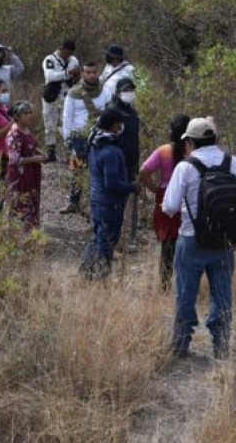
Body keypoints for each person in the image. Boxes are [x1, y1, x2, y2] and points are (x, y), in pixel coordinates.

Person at [162, 117, 236, 359]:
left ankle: (180, 345)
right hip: (224, 241)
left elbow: (170, 206)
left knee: (185, 294)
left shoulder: (186, 167)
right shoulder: (235, 164)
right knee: (222, 295)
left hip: (191, 240)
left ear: (190, 142)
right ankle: (221, 346)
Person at [79, 108, 138, 278]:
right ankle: (100, 277)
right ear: (114, 126)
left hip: (99, 200)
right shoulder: (111, 151)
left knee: (98, 237)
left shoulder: (95, 142)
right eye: (120, 123)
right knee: (106, 242)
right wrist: (132, 186)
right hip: (109, 203)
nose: (122, 126)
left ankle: (86, 272)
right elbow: (112, 183)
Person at [139, 114, 189, 290]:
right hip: (187, 197)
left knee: (167, 244)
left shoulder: (163, 151)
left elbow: (143, 171)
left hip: (165, 196)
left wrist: (154, 188)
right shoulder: (192, 152)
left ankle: (165, 284)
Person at [60, 62, 111, 214]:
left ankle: (98, 203)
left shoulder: (105, 91)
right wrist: (67, 138)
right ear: (82, 73)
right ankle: (73, 202)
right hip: (79, 137)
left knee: (100, 170)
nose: (91, 75)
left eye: (94, 72)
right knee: (77, 170)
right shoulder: (73, 93)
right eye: (88, 72)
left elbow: (110, 111)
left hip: (100, 135)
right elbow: (67, 117)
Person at [6, 102, 46, 229]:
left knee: (32, 199)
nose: (29, 116)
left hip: (31, 173)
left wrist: (39, 152)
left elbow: (30, 146)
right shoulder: (15, 134)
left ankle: (32, 229)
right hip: (20, 176)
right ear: (17, 116)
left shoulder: (26, 129)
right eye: (25, 114)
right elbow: (14, 159)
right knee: (22, 202)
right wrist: (35, 159)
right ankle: (21, 233)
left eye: (30, 113)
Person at [42, 39, 80, 163]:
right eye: (66, 52)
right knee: (50, 124)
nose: (68, 55)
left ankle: (69, 151)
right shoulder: (50, 59)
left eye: (70, 53)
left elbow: (77, 76)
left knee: (67, 123)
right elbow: (50, 76)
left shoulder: (74, 60)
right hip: (51, 96)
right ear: (61, 48)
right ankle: (51, 152)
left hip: (67, 96)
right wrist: (68, 73)